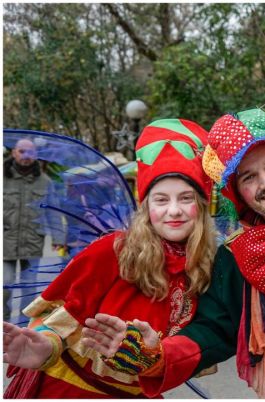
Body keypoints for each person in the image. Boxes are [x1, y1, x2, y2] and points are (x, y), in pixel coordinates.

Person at [82, 108, 265, 398]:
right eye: (248, 177)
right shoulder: (234, 255)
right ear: (236, 193)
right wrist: (159, 354)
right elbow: (213, 330)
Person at [3, 118, 216, 398]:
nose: (173, 210)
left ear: (201, 206)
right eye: (161, 200)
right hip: (71, 388)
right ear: (146, 206)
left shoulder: (209, 265)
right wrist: (45, 347)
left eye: (186, 198)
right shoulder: (115, 250)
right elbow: (64, 313)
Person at [3, 138, 62, 322]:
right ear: (14, 152)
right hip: (5, 241)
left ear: (36, 154)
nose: (26, 156)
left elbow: (53, 210)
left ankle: (21, 328)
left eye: (30, 152)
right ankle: (3, 324)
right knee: (5, 284)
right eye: (22, 151)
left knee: (30, 288)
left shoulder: (44, 181)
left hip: (33, 241)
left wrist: (59, 237)